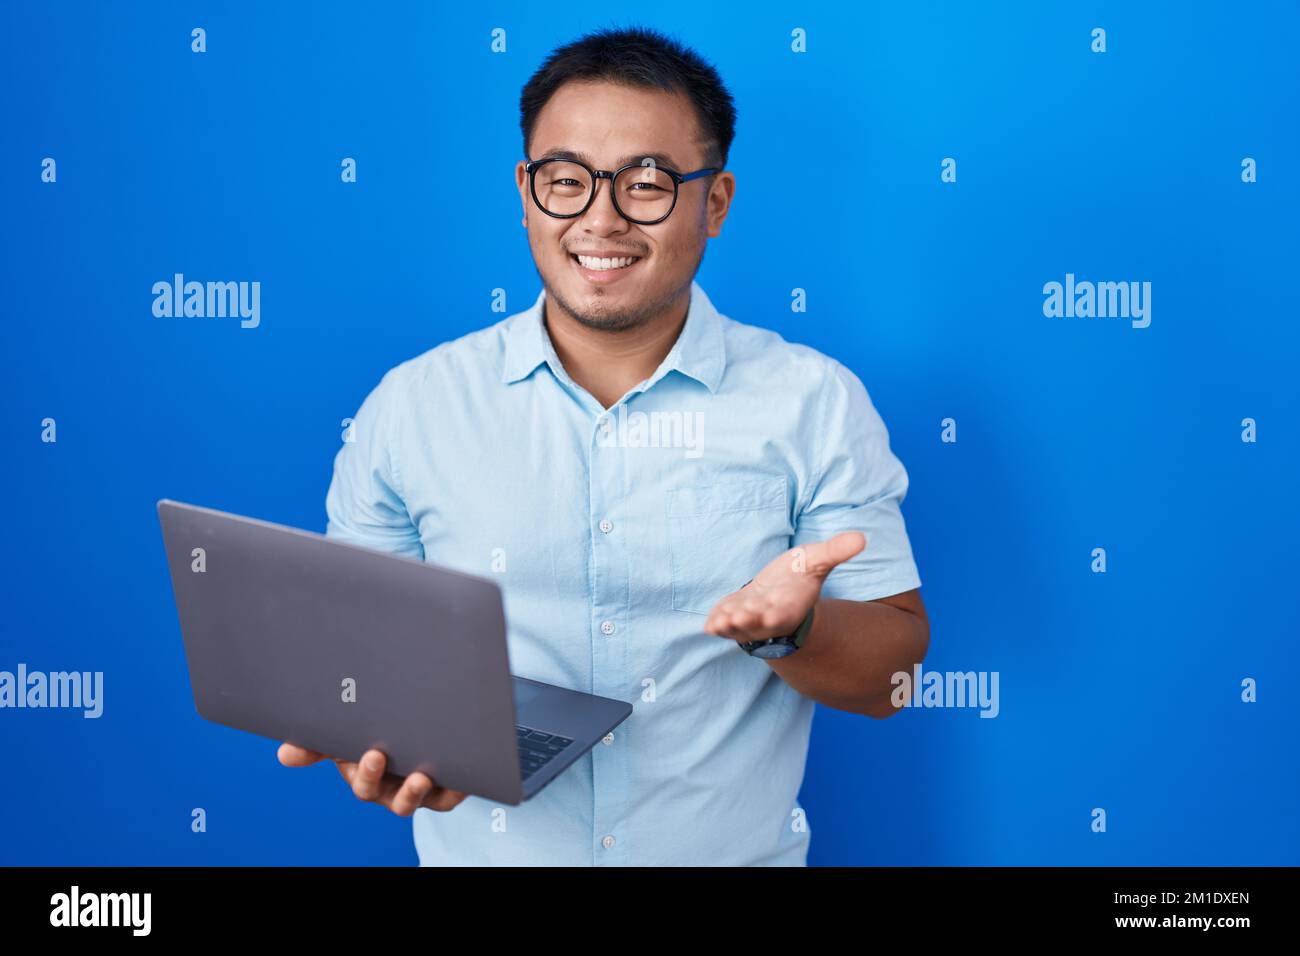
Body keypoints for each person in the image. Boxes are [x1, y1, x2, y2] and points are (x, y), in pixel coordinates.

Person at [279, 25, 929, 866]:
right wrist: (380, 742)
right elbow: (361, 661)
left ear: (716, 202)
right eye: (566, 181)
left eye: (648, 183)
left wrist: (791, 633)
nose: (601, 218)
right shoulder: (414, 407)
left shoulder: (814, 402)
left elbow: (891, 681)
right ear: (525, 190)